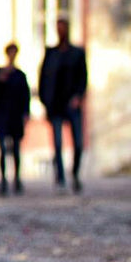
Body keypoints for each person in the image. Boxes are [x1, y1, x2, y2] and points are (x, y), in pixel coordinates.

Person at [38, 17, 88, 193]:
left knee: (78, 143)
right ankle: (60, 177)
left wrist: (78, 97)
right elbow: (43, 78)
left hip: (72, 105)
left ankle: (74, 174)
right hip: (55, 105)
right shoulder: (51, 54)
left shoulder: (77, 53)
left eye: (63, 28)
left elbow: (83, 78)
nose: (60, 32)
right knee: (57, 144)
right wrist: (45, 101)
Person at [0, 43, 30, 196]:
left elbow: (25, 96)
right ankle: (3, 179)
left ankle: (17, 179)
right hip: (1, 115)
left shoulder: (20, 75)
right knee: (2, 149)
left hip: (15, 116)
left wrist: (25, 114)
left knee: (15, 149)